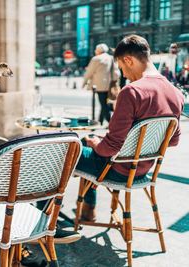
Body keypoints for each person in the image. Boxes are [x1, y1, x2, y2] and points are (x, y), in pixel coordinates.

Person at [77, 35, 184, 221]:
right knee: (92, 140)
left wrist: (96, 144)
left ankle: (45, 217)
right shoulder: (176, 93)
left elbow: (109, 148)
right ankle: (87, 209)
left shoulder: (132, 91)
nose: (124, 75)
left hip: (117, 171)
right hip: (143, 170)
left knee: (71, 149)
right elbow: (173, 140)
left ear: (128, 60)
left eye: (122, 68)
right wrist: (137, 147)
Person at [83, 43, 120, 125]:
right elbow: (116, 73)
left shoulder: (96, 59)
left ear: (99, 51)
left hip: (99, 85)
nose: (95, 51)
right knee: (104, 103)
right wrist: (114, 82)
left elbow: (89, 72)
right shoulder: (111, 58)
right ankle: (100, 121)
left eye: (96, 50)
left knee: (103, 104)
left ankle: (111, 122)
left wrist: (84, 83)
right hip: (109, 85)